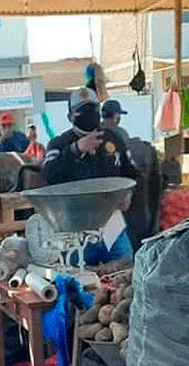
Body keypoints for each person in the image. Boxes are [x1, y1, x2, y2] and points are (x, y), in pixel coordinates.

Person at [42, 87, 137, 265]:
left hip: (113, 228)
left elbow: (131, 172)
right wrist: (75, 150)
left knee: (125, 274)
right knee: (79, 282)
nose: (88, 115)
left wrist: (129, 192)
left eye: (92, 109)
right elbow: (48, 176)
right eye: (81, 111)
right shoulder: (59, 144)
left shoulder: (114, 139)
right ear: (70, 117)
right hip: (75, 231)